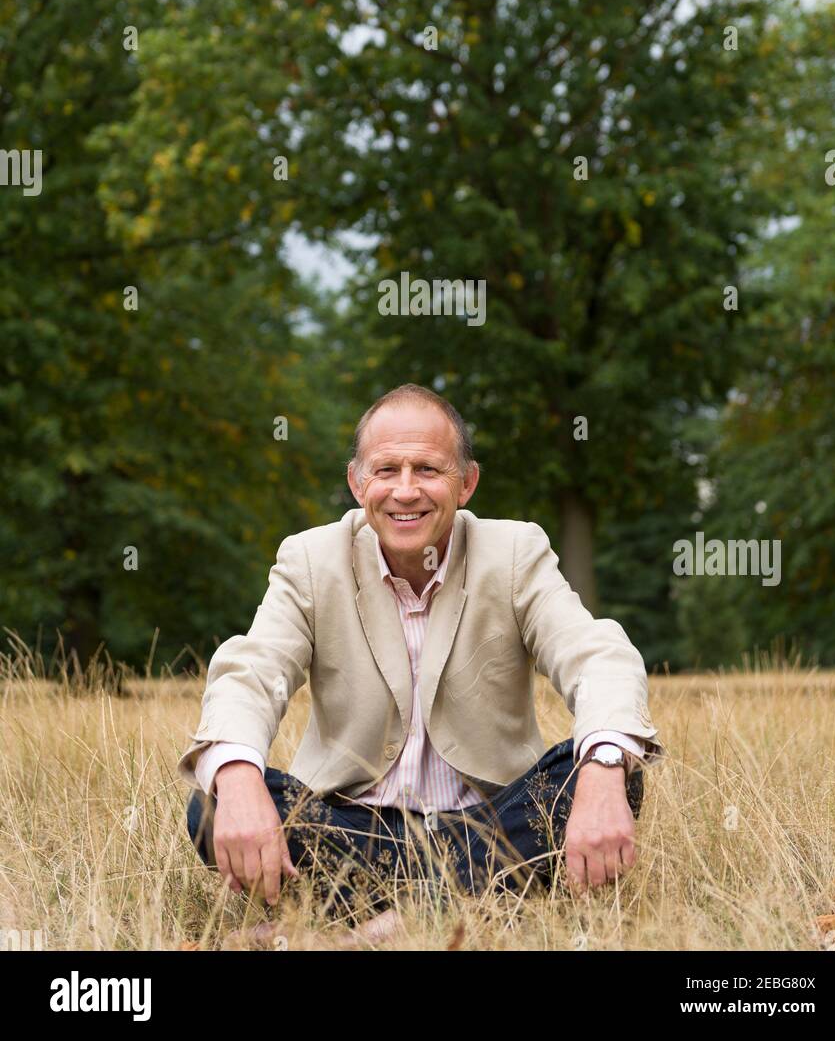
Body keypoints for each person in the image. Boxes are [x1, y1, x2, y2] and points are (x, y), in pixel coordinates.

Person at [180, 384, 665, 942]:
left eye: (428, 470)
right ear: (357, 483)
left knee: (607, 774)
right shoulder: (310, 561)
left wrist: (601, 776)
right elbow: (252, 670)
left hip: (491, 829)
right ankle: (456, 906)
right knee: (214, 804)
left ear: (467, 483)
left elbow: (597, 655)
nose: (405, 491)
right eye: (386, 470)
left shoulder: (514, 553)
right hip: (355, 833)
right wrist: (239, 779)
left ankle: (361, 930)